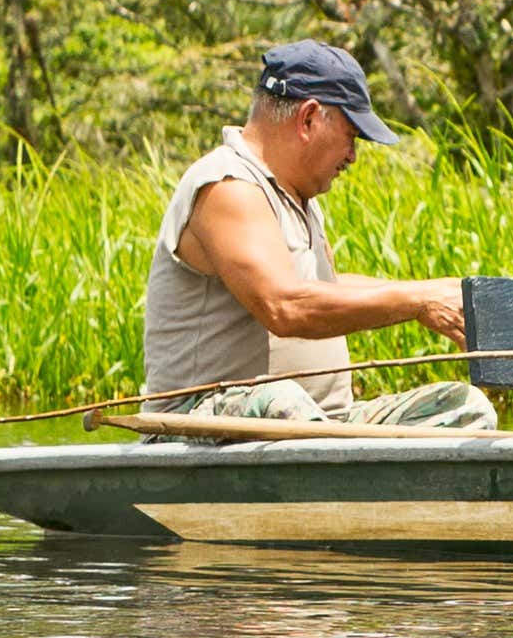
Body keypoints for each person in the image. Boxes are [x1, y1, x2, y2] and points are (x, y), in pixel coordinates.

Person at [142, 41, 489, 428]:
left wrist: (434, 292)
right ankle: (331, 453)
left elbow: (325, 288)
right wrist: (416, 301)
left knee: (463, 406)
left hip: (322, 423)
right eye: (351, 135)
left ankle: (344, 457)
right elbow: (284, 306)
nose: (353, 156)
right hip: (200, 423)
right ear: (308, 119)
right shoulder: (227, 185)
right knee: (280, 398)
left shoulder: (300, 198)